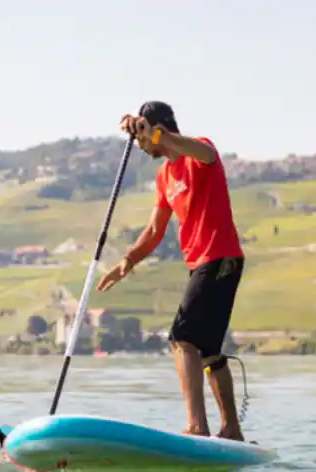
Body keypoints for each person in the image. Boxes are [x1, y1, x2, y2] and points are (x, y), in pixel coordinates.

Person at [97, 101, 247, 441]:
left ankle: (197, 426)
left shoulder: (200, 153)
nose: (140, 144)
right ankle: (232, 431)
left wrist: (158, 133)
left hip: (220, 257)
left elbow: (193, 148)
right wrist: (128, 261)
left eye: (143, 137)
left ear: (159, 130)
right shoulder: (164, 176)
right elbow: (154, 231)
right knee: (208, 351)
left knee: (181, 339)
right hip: (203, 264)